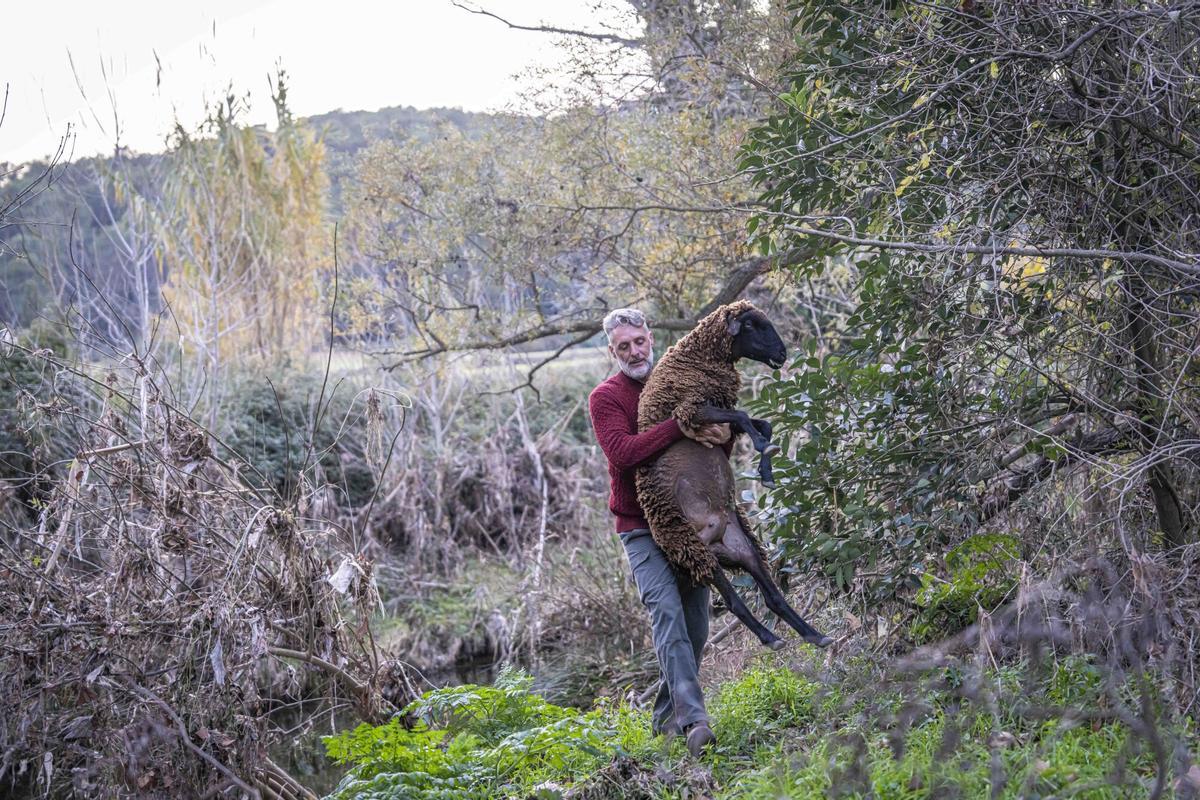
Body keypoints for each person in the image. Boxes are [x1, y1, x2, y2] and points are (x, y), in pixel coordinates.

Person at [587, 307, 731, 757]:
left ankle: (666, 722)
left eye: (639, 341)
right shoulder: (605, 397)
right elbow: (625, 453)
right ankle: (696, 723)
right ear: (612, 352)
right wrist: (680, 424)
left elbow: (712, 445)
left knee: (696, 625)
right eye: (623, 346)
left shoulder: (679, 380)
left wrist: (722, 433)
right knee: (666, 614)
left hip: (689, 523)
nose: (634, 351)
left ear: (651, 338)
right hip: (640, 528)